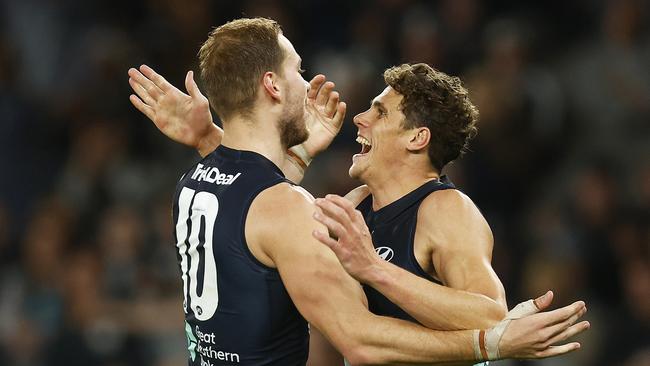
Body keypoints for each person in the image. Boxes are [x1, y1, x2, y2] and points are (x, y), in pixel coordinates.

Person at [128, 17, 589, 366]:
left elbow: (491, 313)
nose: (359, 120)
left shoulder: (446, 210)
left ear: (417, 138)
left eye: (379, 113)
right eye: (297, 70)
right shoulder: (333, 210)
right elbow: (264, 214)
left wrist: (213, 138)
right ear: (270, 84)